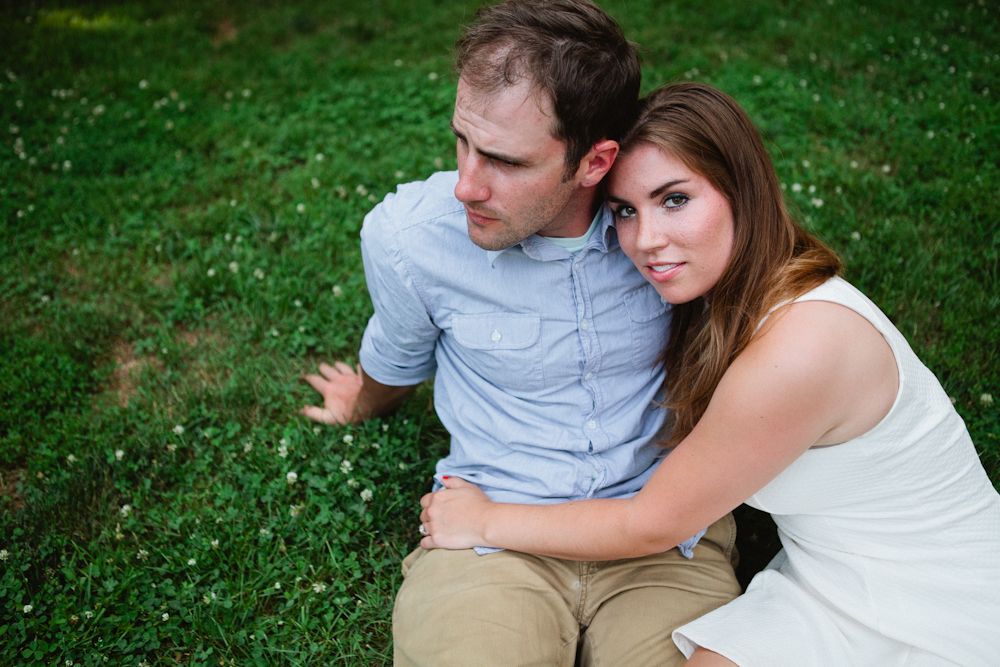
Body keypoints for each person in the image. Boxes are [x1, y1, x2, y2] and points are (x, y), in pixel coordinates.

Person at [417, 82, 1000, 666]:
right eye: (625, 211)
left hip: (933, 593)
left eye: (674, 200)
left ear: (740, 188)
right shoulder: (731, 298)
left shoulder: (804, 346)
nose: (646, 241)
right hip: (823, 576)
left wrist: (485, 519)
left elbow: (650, 525)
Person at [301, 3, 740, 665]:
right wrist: (359, 401)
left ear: (594, 163)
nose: (466, 186)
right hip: (488, 539)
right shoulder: (409, 238)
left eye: (504, 160)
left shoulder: (662, 236)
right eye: (462, 142)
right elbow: (398, 358)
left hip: (663, 540)